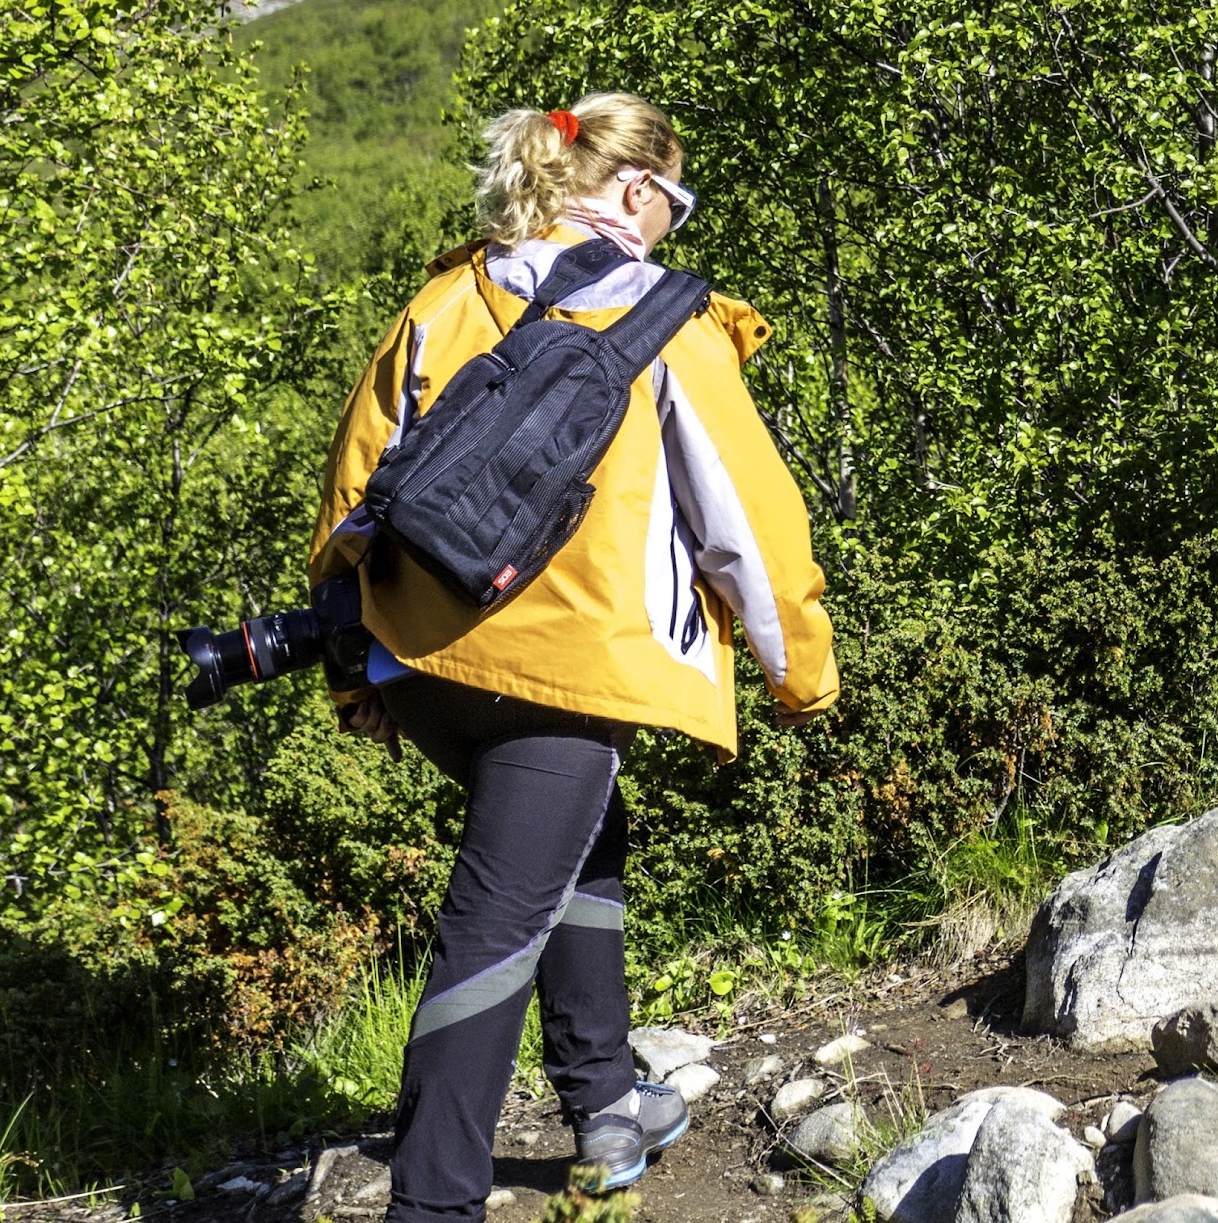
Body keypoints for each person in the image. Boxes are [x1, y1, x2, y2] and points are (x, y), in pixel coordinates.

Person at [310, 94, 837, 1221]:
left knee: (576, 843)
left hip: (424, 660)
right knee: (494, 926)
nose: (676, 223)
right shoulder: (664, 320)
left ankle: (606, 1101)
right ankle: (434, 1202)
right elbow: (750, 524)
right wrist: (801, 671)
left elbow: (353, 487)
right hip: (569, 666)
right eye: (675, 199)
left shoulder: (444, 298)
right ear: (637, 192)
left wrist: (354, 667)